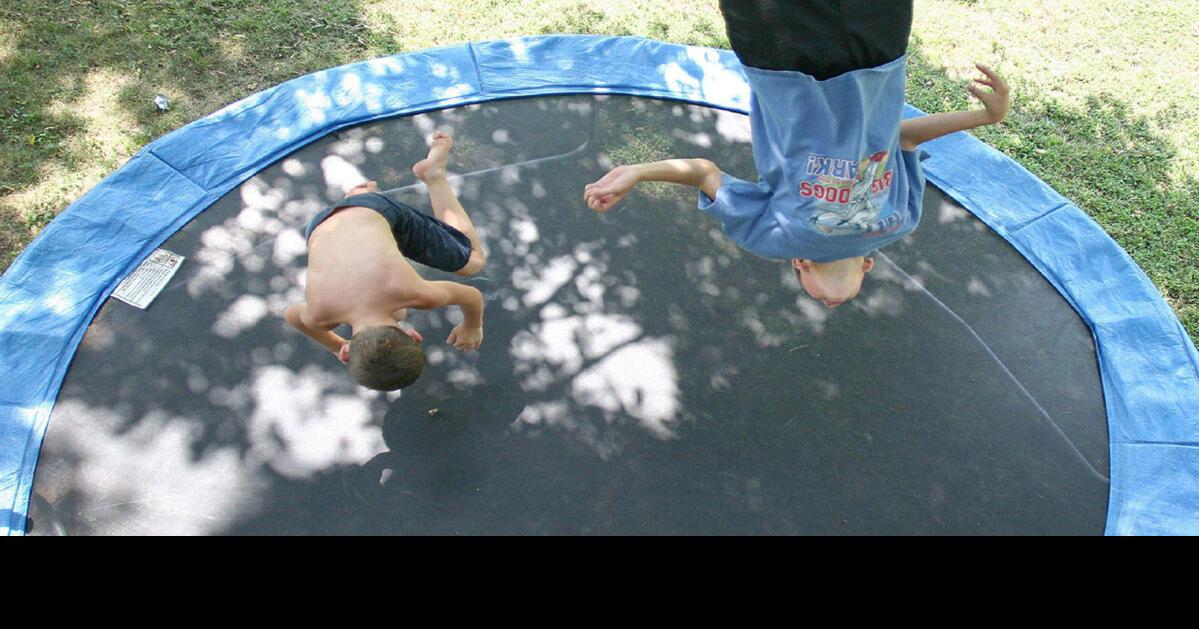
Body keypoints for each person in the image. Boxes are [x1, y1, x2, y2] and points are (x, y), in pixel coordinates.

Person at [584, 0, 1010, 308]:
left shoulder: (775, 241)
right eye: (834, 306)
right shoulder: (900, 221)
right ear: (867, 267)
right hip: (876, 60)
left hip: (786, 65)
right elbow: (902, 140)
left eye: (821, 302)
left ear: (800, 264)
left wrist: (638, 171)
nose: (830, 306)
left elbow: (704, 173)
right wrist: (983, 117)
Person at [284, 131, 486, 391]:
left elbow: (472, 295)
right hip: (320, 224)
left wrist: (472, 325)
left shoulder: (420, 295)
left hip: (374, 208)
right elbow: (292, 316)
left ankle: (433, 175)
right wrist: (336, 345)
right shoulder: (319, 316)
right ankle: (355, 200)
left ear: (414, 336)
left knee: (473, 263)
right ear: (347, 353)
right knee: (396, 308)